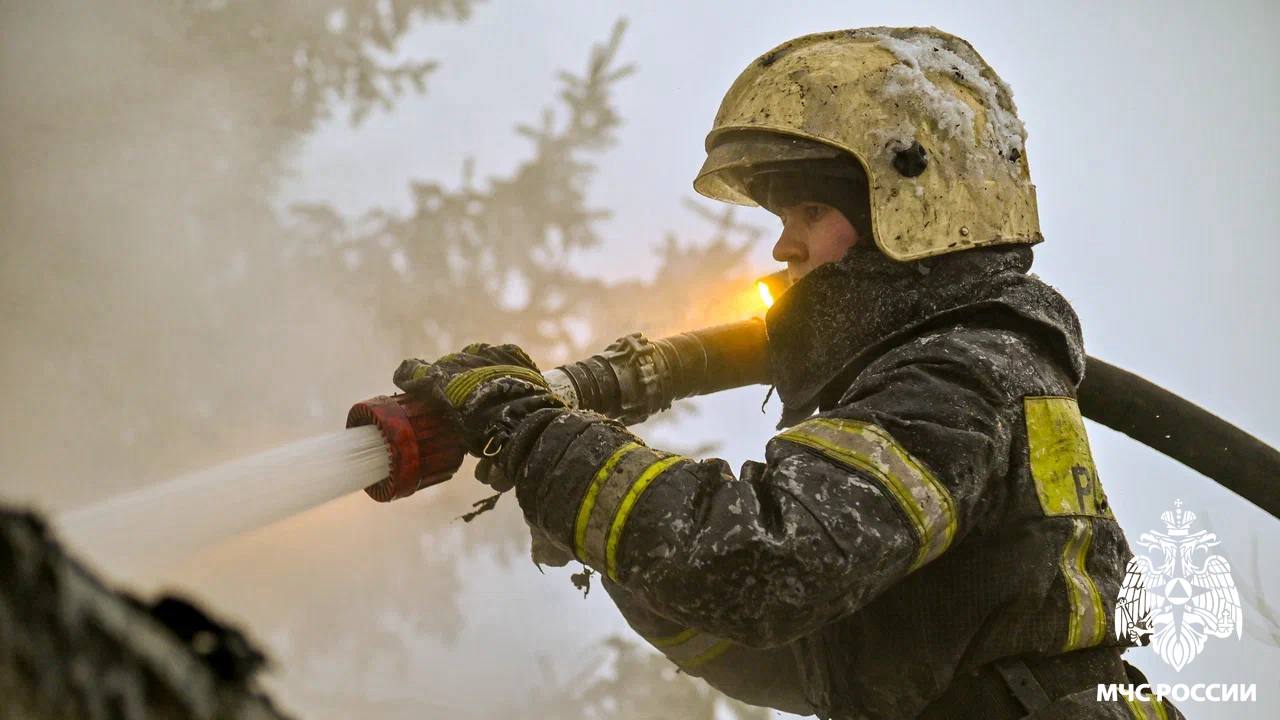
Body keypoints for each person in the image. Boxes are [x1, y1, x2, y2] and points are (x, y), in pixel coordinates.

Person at [395, 27, 1181, 720]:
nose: (784, 247)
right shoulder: (964, 364)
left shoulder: (959, 377)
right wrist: (602, 533)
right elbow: (806, 663)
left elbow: (768, 562)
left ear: (906, 206)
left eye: (808, 213)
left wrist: (539, 439)